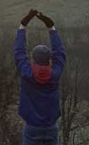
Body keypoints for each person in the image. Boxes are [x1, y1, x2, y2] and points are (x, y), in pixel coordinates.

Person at [15, 10, 66, 145]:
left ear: (32, 60)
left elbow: (19, 51)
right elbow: (60, 53)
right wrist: (51, 27)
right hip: (51, 127)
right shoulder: (54, 74)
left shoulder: (27, 73)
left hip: (32, 128)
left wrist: (23, 25)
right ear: (50, 61)